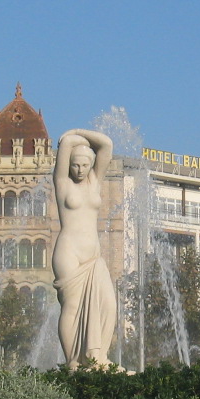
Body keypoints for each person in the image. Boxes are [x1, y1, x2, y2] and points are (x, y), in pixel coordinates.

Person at [53, 128, 116, 368]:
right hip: (68, 251)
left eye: (84, 165)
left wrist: (79, 132)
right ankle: (72, 362)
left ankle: (97, 358)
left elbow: (106, 145)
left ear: (91, 165)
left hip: (93, 256)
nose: (79, 170)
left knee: (108, 305)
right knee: (72, 305)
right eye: (75, 165)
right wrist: (73, 139)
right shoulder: (62, 184)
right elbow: (66, 142)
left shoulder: (95, 182)